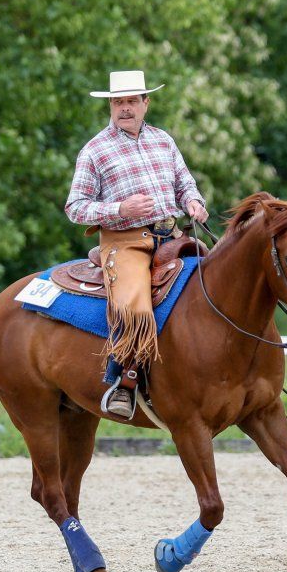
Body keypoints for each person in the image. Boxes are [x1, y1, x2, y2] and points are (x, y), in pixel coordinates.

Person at [65, 70, 209, 418]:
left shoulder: (164, 140)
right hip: (125, 242)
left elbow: (185, 183)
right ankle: (124, 382)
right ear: (111, 106)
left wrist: (194, 202)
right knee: (135, 308)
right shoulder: (95, 151)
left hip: (172, 236)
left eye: (132, 101)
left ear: (146, 103)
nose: (125, 108)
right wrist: (120, 209)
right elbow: (75, 207)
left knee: (217, 283)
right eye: (118, 102)